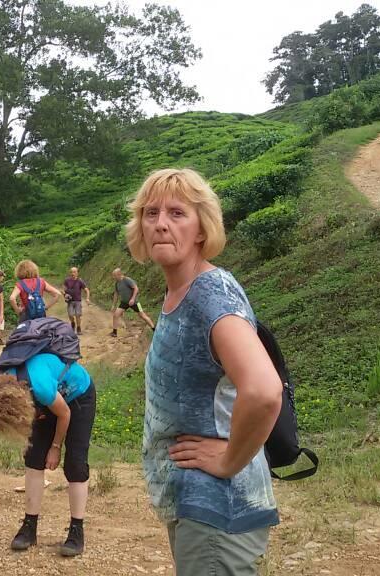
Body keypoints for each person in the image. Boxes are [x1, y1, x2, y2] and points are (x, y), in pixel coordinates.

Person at [127, 168, 283, 575]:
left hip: (216, 507)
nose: (160, 223)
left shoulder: (211, 295)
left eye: (177, 213)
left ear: (201, 229)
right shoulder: (180, 290)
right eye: (151, 213)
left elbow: (264, 390)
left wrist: (230, 460)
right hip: (194, 502)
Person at [0, 352, 96, 557]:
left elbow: (64, 414)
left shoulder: (40, 387)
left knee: (75, 464)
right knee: (34, 459)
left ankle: (76, 530)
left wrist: (55, 447)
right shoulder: (4, 382)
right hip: (44, 399)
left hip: (77, 397)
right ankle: (29, 527)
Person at [110, 268, 155, 337]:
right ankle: (114, 332)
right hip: (124, 302)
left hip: (134, 302)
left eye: (114, 275)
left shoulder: (127, 280)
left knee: (142, 315)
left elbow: (136, 288)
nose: (113, 277)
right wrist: (113, 305)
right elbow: (116, 294)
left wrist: (133, 299)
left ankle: (154, 330)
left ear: (119, 274)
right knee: (116, 315)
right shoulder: (117, 283)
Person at [62, 267, 91, 334]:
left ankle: (78, 328)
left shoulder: (80, 281)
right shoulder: (67, 280)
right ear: (70, 273)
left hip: (78, 301)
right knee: (70, 315)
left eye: (74, 272)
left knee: (78, 315)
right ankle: (72, 322)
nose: (73, 273)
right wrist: (65, 294)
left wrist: (87, 298)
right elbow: (63, 290)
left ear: (77, 273)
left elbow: (87, 290)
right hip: (70, 301)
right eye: (71, 272)